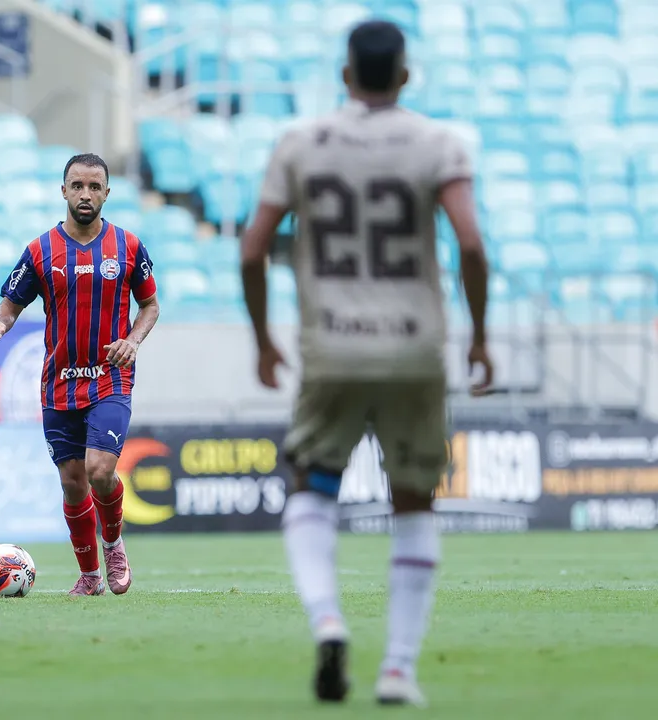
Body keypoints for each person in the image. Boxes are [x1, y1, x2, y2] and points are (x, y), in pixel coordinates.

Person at [239, 20, 493, 707]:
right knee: (414, 500)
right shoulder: (438, 142)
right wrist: (479, 337)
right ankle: (398, 670)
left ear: (345, 76)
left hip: (333, 347)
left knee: (313, 487)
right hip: (414, 348)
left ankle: (328, 621)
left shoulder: (301, 143)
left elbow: (252, 248)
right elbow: (470, 243)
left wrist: (264, 339)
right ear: (404, 76)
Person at [0, 153, 160, 597]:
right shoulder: (41, 250)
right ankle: (90, 576)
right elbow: (11, 303)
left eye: (94, 187)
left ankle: (113, 545)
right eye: (77, 186)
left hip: (109, 378)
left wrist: (133, 342)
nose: (85, 194)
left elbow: (150, 305)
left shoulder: (129, 247)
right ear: (63, 191)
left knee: (101, 470)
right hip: (59, 381)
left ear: (106, 193)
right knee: (72, 482)